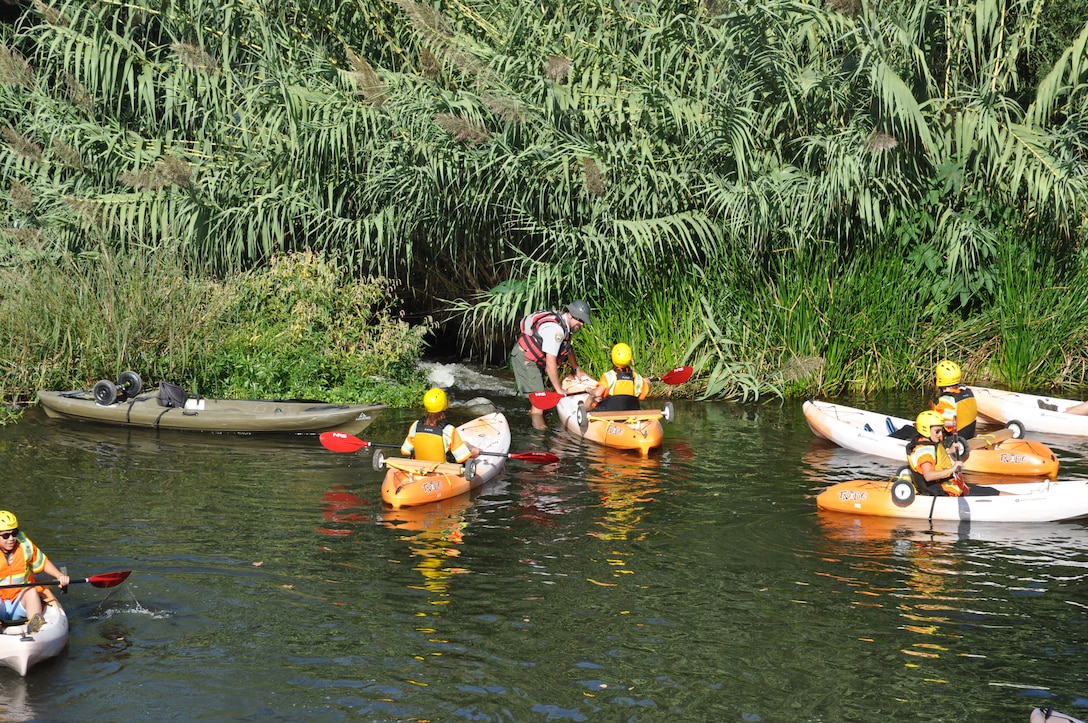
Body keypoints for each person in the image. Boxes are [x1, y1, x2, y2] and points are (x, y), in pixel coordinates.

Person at [510, 299, 595, 429]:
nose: (582, 324)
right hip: (526, 358)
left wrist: (576, 369)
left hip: (533, 358)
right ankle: (538, 436)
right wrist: (559, 389)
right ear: (571, 315)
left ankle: (530, 417)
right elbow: (551, 363)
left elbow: (568, 347)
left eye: (583, 321)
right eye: (580, 320)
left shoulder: (565, 324)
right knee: (540, 400)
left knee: (541, 395)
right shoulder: (557, 331)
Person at [0, 510, 70, 634]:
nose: (11, 539)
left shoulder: (24, 545)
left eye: (14, 533)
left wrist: (59, 575)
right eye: (6, 536)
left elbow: (42, 563)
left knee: (31, 590)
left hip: (20, 599)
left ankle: (35, 631)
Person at [906, 410, 997, 497]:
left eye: (941, 431)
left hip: (945, 484)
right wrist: (952, 469)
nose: (940, 434)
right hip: (941, 490)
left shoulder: (925, 444)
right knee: (991, 491)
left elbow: (937, 459)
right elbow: (928, 476)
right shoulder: (924, 453)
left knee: (989, 490)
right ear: (925, 430)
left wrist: (950, 451)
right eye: (937, 431)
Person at [400, 387, 479, 464]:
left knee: (465, 443)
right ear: (445, 405)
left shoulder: (416, 425)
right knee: (465, 445)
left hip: (419, 468)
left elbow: (405, 451)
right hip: (442, 471)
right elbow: (461, 458)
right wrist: (473, 452)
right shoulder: (449, 430)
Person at [590, 343, 650, 412]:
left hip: (610, 411)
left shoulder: (608, 376)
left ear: (613, 359)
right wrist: (647, 382)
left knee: (593, 401)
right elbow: (643, 395)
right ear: (629, 359)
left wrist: (590, 391)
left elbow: (597, 393)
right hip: (631, 410)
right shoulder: (637, 377)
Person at [931, 359, 978, 438]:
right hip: (969, 436)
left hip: (953, 440)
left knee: (907, 430)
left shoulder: (946, 400)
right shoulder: (968, 392)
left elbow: (949, 426)